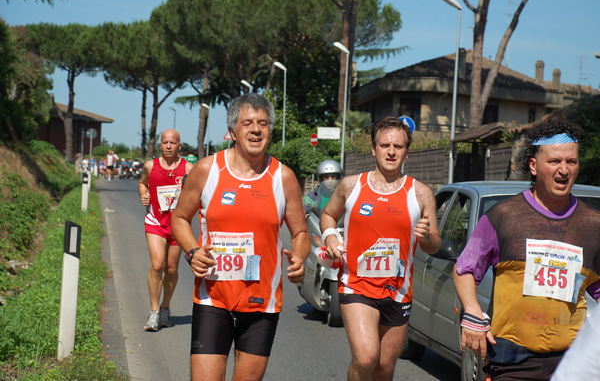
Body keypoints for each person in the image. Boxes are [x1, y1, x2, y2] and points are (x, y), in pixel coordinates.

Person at [171, 94, 310, 381]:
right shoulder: (207, 170)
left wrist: (299, 257)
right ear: (233, 132)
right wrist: (192, 250)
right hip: (214, 297)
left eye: (263, 123)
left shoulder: (283, 178)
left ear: (270, 130)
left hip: (262, 303)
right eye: (247, 123)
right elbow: (179, 218)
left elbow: (300, 232)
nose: (256, 130)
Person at [453, 117, 600, 381]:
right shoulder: (504, 216)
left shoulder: (594, 224)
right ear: (533, 165)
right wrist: (472, 311)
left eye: (571, 161)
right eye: (554, 161)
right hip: (513, 360)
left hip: (573, 361)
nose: (564, 170)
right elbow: (465, 268)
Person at [319, 116, 441, 381]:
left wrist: (427, 237)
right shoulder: (351, 186)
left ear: (407, 152)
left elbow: (434, 245)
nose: (391, 151)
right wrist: (330, 238)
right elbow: (328, 216)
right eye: (385, 145)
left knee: (385, 367)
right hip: (357, 285)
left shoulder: (420, 194)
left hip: (398, 290)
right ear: (374, 149)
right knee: (366, 357)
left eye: (398, 146)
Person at [139, 129, 194, 331]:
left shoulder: (189, 168)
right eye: (165, 143)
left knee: (171, 269)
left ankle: (165, 308)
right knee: (157, 264)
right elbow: (142, 184)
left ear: (179, 145)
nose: (168, 146)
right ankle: (153, 312)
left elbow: (198, 193)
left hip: (178, 225)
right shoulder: (149, 166)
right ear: (160, 145)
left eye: (173, 143)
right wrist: (143, 194)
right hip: (155, 221)